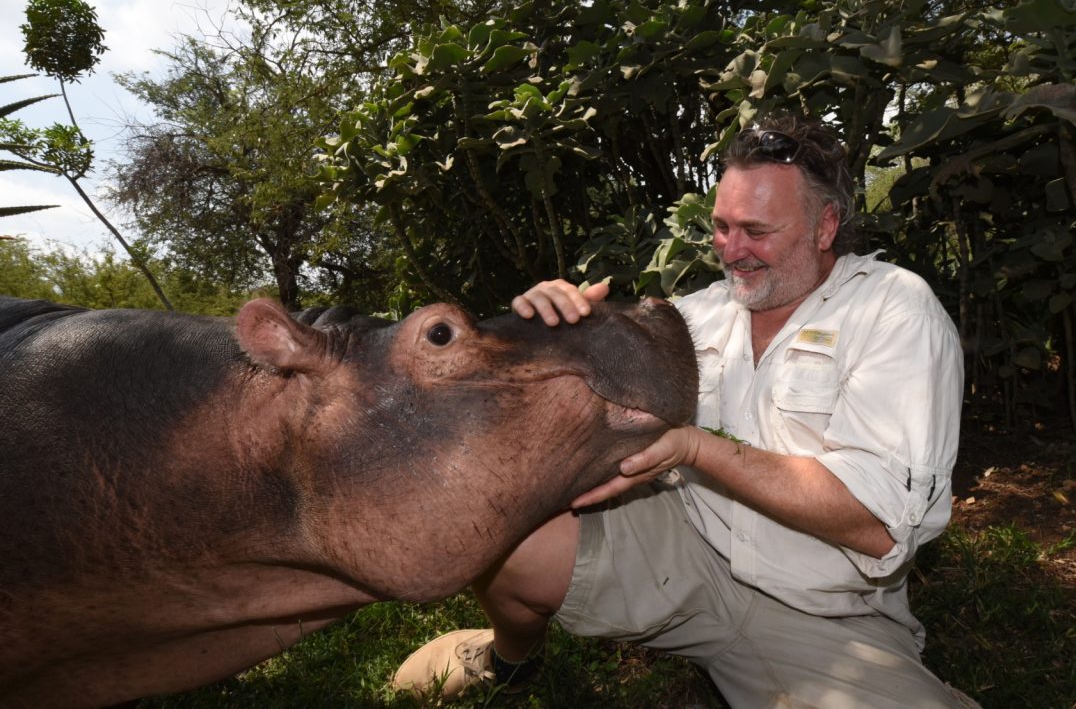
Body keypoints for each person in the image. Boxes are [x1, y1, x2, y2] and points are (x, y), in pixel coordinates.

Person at [392, 112, 969, 707]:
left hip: (827, 611)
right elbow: (572, 406)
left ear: (825, 226)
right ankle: (509, 661)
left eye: (756, 230)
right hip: (685, 548)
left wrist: (696, 448)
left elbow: (877, 525)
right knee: (500, 529)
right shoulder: (702, 312)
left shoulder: (893, 311)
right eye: (721, 226)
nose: (732, 250)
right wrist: (550, 333)